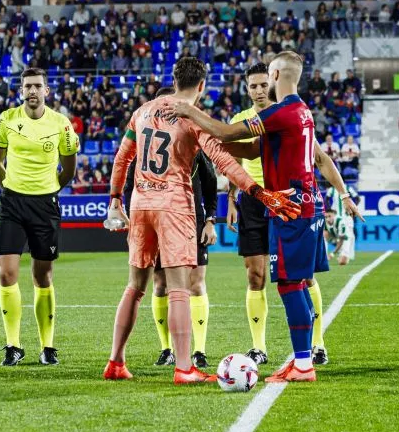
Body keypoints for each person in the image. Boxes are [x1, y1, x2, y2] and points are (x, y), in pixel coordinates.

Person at [103, 57, 299, 384]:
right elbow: (223, 159)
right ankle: (184, 368)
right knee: (180, 288)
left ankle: (115, 361)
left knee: (135, 286)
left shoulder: (143, 111)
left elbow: (123, 157)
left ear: (174, 79)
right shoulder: (195, 118)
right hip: (174, 205)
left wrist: (114, 199)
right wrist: (259, 192)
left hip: (140, 203)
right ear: (203, 86)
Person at [172, 51, 360, 383]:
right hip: (301, 204)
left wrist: (190, 112)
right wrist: (211, 145)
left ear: (274, 74)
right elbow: (252, 149)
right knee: (297, 282)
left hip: (291, 207)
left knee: (289, 284)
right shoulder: (301, 111)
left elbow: (230, 134)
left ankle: (303, 363)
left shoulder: (280, 112)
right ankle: (302, 358)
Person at [228, 63, 358, 366]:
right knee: (255, 275)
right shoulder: (241, 120)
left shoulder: (286, 115)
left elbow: (320, 159)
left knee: (303, 277)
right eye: (253, 86)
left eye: (263, 85)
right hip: (253, 200)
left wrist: (344, 194)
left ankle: (316, 344)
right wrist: (231, 198)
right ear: (246, 89)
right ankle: (258, 347)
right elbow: (233, 161)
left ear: (271, 84)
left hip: (287, 201)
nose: (259, 91)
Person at [0, 68, 80, 367]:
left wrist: (51, 188)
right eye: (27, 86)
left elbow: (69, 168)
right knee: (6, 273)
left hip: (45, 205)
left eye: (37, 86)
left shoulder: (61, 124)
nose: (32, 91)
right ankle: (13, 345)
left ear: (46, 91)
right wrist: (8, 187)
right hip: (12, 203)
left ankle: (48, 345)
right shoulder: (6, 120)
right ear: (21, 90)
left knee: (43, 277)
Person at [122, 87, 218, 369]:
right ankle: (167, 349)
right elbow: (130, 186)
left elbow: (211, 187)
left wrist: (210, 220)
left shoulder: (193, 140)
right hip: (155, 217)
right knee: (161, 285)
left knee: (196, 283)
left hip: (190, 218)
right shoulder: (144, 147)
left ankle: (198, 350)